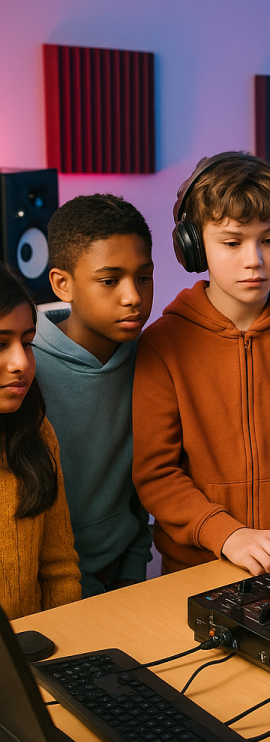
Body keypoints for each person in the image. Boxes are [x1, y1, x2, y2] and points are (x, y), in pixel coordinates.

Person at [132, 152, 270, 575]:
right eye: (232, 242)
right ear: (194, 245)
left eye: (269, 240)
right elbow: (157, 474)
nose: (254, 259)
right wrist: (227, 534)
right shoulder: (162, 345)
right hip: (201, 564)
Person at [32, 194, 154, 598]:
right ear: (62, 284)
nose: (132, 296)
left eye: (143, 277)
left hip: (122, 579)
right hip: (43, 587)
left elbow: (145, 483)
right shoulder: (23, 367)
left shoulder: (152, 359)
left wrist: (131, 574)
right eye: (109, 280)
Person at [0, 263, 81, 620]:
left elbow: (59, 568)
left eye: (27, 343)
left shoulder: (37, 432)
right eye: (1, 345)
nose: (21, 363)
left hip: (33, 659)